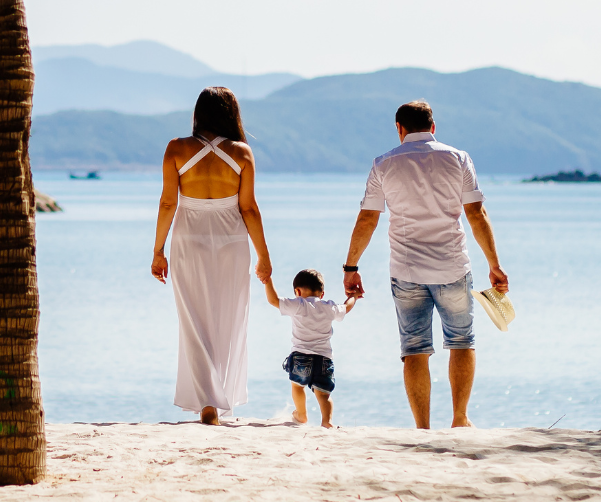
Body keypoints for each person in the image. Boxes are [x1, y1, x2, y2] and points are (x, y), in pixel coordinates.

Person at [341, 100, 508, 429]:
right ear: (433, 127)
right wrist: (494, 264)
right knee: (461, 341)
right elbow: (476, 214)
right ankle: (460, 418)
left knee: (414, 348)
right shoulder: (458, 158)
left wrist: (351, 267)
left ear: (399, 129)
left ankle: (422, 427)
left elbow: (368, 219)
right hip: (453, 267)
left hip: (406, 270)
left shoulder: (383, 163)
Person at [151, 87, 274, 425]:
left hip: (188, 239)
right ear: (230, 114)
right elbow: (248, 208)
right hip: (232, 241)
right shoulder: (242, 153)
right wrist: (264, 256)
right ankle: (214, 396)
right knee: (227, 318)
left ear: (198, 112)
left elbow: (167, 203)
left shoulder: (176, 148)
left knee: (192, 317)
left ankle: (207, 400)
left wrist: (158, 250)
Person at [262, 269, 358, 428]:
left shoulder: (298, 304)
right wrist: (353, 296)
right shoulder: (329, 307)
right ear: (322, 294)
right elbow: (346, 307)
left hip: (301, 356)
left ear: (297, 291)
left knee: (297, 386)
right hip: (324, 359)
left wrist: (268, 280)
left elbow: (273, 300)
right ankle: (327, 421)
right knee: (324, 394)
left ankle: (301, 414)